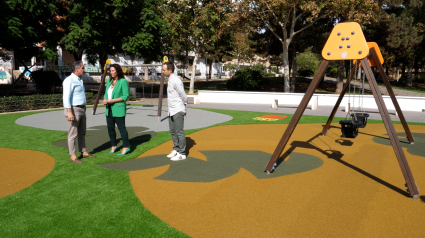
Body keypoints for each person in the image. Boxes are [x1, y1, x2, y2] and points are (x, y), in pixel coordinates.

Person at [63, 61, 96, 164]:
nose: (84, 69)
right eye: (82, 68)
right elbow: (66, 97)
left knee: (82, 132)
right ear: (76, 69)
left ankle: (83, 151)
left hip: (82, 109)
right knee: (73, 134)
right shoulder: (69, 80)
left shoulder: (79, 80)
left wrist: (84, 106)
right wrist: (70, 112)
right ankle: (73, 156)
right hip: (74, 109)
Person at [102, 64, 130, 155]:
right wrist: (105, 99)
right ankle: (114, 145)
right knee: (110, 128)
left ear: (118, 71)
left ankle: (126, 147)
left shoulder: (123, 81)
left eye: (113, 70)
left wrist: (113, 100)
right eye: (110, 70)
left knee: (121, 128)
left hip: (118, 108)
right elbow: (106, 93)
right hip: (109, 109)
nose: (111, 72)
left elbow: (125, 96)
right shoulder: (109, 81)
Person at [163, 62, 188, 161]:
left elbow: (183, 94)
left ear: (170, 70)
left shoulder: (176, 80)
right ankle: (176, 149)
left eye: (164, 70)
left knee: (179, 132)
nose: (162, 71)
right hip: (171, 110)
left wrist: (184, 105)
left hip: (178, 109)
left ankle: (182, 153)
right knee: (173, 131)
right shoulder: (170, 80)